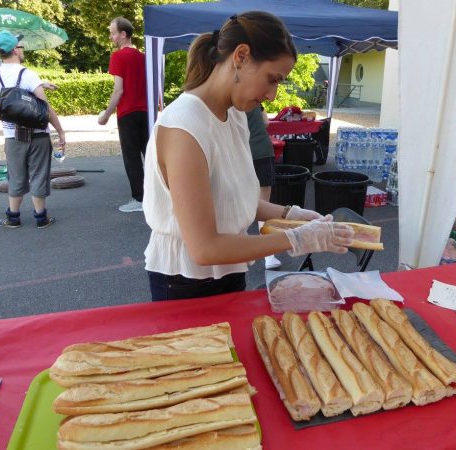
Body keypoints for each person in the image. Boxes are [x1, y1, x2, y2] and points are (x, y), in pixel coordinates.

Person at [143, 11, 355, 301]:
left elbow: (230, 199)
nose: (272, 95)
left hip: (231, 268)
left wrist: (289, 214)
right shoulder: (184, 126)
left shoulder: (236, 116)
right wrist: (294, 238)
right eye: (272, 79)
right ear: (241, 56)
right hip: (185, 281)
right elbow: (204, 248)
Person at [0, 31, 65, 229]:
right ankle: (41, 218)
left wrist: (40, 84)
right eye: (20, 46)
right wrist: (60, 132)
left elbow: (11, 91)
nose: (22, 49)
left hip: (12, 136)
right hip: (37, 135)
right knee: (39, 174)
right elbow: (45, 109)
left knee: (15, 176)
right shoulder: (28, 74)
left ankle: (13, 218)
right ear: (14, 50)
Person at [98, 17, 149, 213]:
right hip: (145, 112)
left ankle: (139, 199)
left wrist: (105, 115)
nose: (111, 37)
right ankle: (157, 196)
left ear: (123, 34)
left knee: (132, 157)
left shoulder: (118, 57)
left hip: (127, 113)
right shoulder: (143, 56)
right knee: (149, 155)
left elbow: (118, 91)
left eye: (113, 33)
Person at [246, 104, 282, 270]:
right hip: (262, 151)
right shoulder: (256, 103)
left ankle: (242, 251)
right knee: (264, 204)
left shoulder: (230, 103)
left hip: (243, 153)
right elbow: (266, 122)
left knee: (239, 202)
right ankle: (269, 256)